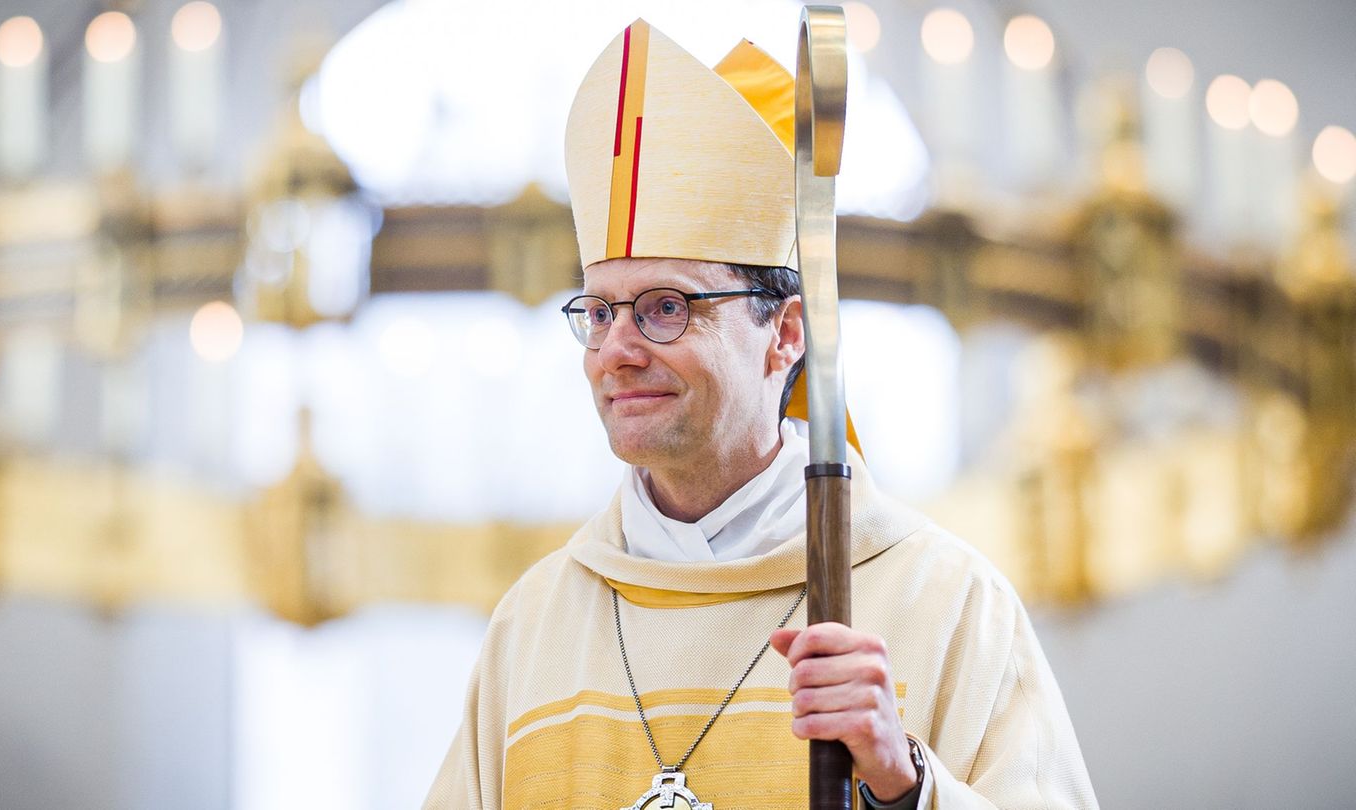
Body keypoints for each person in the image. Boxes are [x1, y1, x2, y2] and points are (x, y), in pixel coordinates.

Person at [425, 19, 1097, 810]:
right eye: (599, 312)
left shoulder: (943, 601)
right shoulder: (534, 628)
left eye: (665, 308)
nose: (617, 349)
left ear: (783, 335)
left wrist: (903, 784)